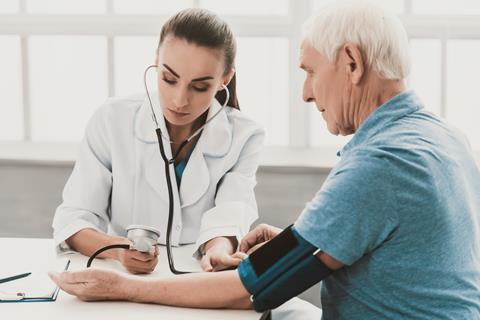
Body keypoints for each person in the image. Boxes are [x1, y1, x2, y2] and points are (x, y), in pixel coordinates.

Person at [50, 2, 480, 319]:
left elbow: (254, 287)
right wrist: (302, 239)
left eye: (310, 71)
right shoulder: (443, 138)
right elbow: (393, 243)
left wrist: (125, 289)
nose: (306, 93)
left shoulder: (382, 162)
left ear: (350, 62)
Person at [52, 8, 265, 274]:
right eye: (169, 78)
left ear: (225, 79)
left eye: (199, 87)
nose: (179, 100)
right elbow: (73, 220)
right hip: (122, 275)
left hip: (198, 276)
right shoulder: (111, 120)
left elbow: (230, 212)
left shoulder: (245, 136)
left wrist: (217, 251)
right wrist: (116, 249)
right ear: (156, 61)